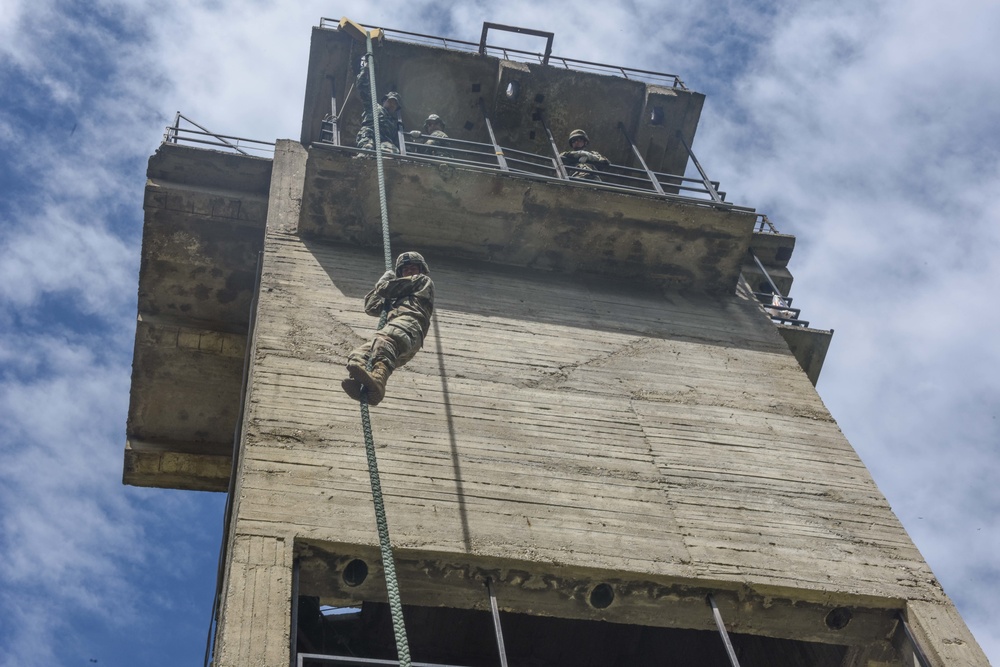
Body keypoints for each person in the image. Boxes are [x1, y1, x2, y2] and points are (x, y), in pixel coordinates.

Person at [342, 252, 434, 406]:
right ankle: (364, 384)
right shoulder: (397, 297)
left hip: (408, 325)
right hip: (398, 335)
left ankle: (378, 381)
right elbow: (371, 307)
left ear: (421, 270)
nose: (410, 271)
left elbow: (385, 289)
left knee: (383, 341)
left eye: (413, 267)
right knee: (358, 356)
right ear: (401, 273)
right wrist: (383, 284)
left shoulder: (422, 281)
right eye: (406, 269)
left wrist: (384, 282)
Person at [355, 56, 403, 154]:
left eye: (395, 104)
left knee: (394, 153)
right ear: (384, 101)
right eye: (390, 101)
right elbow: (362, 87)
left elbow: (397, 141)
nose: (392, 105)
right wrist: (366, 68)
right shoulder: (374, 106)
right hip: (369, 135)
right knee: (367, 149)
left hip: (385, 144)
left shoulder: (394, 124)